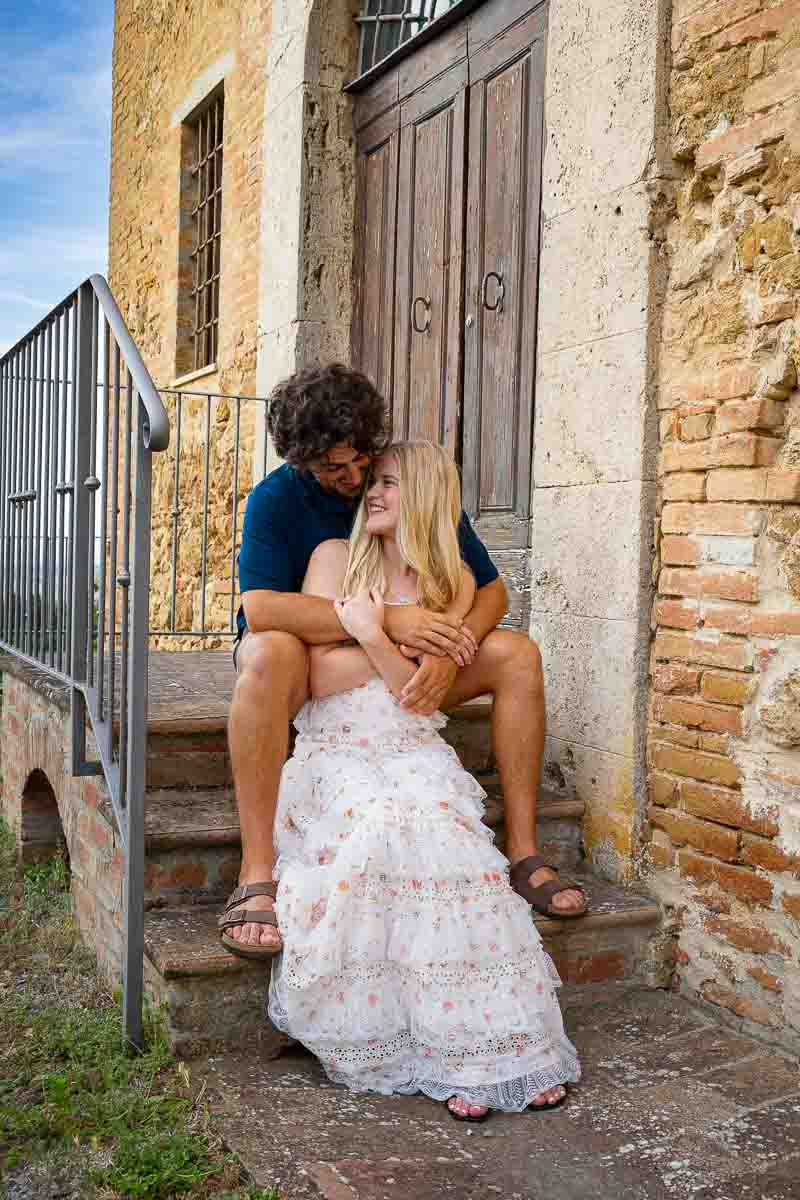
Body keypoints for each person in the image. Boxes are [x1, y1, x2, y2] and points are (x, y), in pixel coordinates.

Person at [219, 364, 587, 964]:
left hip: (408, 672)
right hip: (307, 660)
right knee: (266, 652)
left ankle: (524, 850)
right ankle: (257, 870)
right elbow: (260, 607)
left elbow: (491, 592)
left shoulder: (399, 483)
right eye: (335, 469)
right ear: (301, 461)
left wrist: (452, 646)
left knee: (517, 653)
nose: (355, 478)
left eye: (363, 461)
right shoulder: (278, 500)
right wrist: (391, 624)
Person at [265, 440, 581, 1119]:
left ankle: (487, 1051)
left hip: (410, 744)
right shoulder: (331, 560)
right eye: (372, 482)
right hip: (339, 748)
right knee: (383, 827)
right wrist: (396, 647)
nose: (370, 494)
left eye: (386, 484)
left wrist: (373, 636)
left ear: (427, 498)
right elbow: (318, 679)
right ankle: (416, 1043)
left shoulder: (453, 586)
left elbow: (421, 697)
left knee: (451, 838)